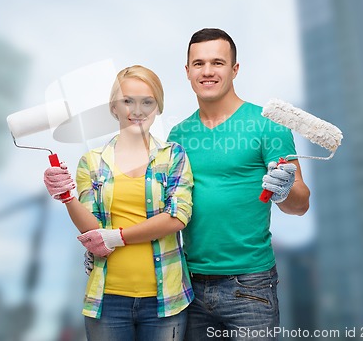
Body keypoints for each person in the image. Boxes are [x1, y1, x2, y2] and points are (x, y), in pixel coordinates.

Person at [167, 28, 311, 341]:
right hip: (187, 285)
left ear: (234, 70)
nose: (207, 71)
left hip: (249, 286)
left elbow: (300, 205)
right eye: (199, 63)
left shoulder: (267, 124)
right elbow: (164, 207)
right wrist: (112, 242)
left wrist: (284, 190)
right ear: (188, 71)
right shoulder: (178, 135)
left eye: (217, 63)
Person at [43, 65, 194, 341]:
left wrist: (116, 237)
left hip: (166, 301)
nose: (137, 110)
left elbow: (177, 217)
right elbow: (92, 230)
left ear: (158, 107)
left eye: (147, 101)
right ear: (114, 107)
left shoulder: (173, 156)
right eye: (128, 101)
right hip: (107, 300)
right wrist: (66, 196)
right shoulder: (92, 161)